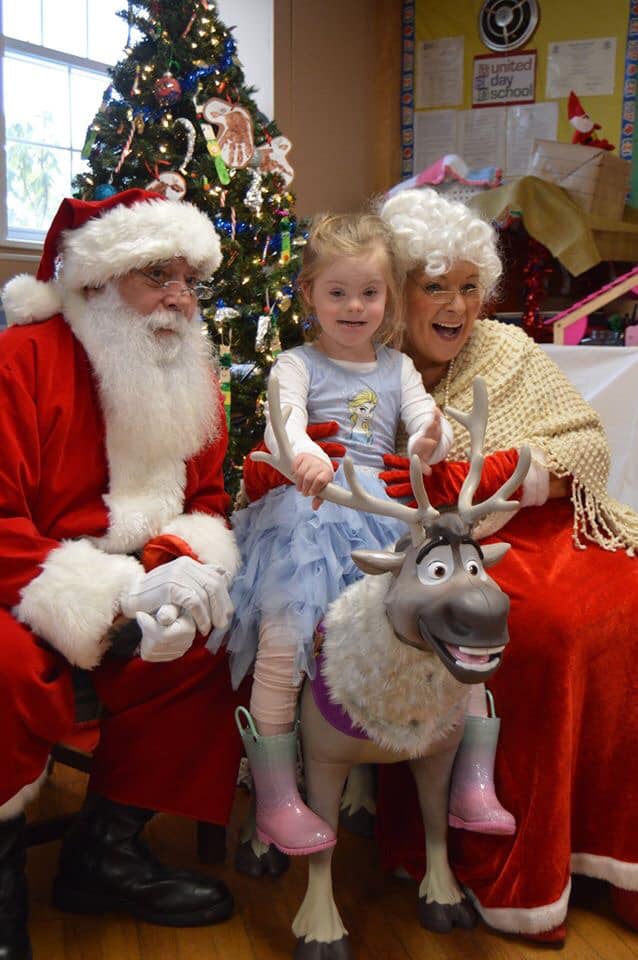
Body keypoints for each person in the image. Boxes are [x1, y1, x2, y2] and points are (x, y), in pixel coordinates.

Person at [242, 187, 638, 944]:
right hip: (403, 549)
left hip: (524, 530)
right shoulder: (347, 360)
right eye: (435, 286)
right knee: (528, 631)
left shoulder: (504, 351)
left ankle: (580, 838)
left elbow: (583, 442)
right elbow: (285, 437)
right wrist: (282, 466)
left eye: (470, 286)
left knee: (617, 605)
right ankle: (311, 802)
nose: (458, 306)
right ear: (399, 293)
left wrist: (496, 471)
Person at [0, 188, 247, 960]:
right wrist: (107, 597)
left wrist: (174, 579)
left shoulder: (191, 372)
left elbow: (205, 503)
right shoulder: (22, 360)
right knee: (5, 667)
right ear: (98, 281)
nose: (179, 298)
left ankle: (105, 849)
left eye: (189, 279)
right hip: (23, 581)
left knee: (217, 642)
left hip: (142, 572)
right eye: (155, 275)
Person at [212, 212, 453, 858]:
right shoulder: (297, 364)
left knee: (416, 625)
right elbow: (283, 421)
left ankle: (448, 772)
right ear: (309, 294)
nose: (353, 307)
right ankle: (274, 795)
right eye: (338, 292)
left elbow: (426, 420)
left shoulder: (398, 368)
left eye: (369, 293)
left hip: (381, 514)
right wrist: (303, 453)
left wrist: (429, 441)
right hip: (309, 513)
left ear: (388, 298)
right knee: (285, 638)